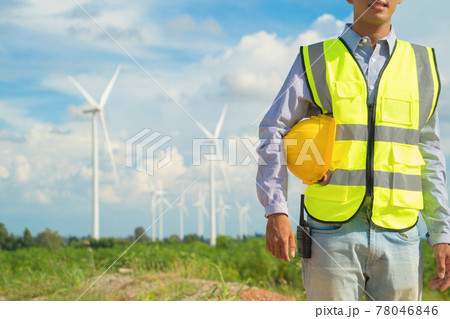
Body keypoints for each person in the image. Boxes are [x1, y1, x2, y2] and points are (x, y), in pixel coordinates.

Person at [256, 0, 450, 301]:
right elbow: (273, 129)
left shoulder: (422, 63)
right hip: (330, 231)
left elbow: (429, 152)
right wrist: (275, 209)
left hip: (402, 233)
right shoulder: (317, 58)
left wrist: (441, 232)